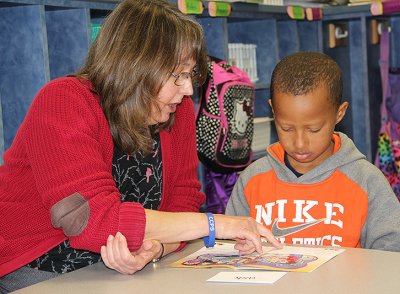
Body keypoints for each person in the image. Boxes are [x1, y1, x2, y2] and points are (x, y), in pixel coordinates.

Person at [0, 0, 281, 292]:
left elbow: (182, 204)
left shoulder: (177, 109)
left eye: (191, 75)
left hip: (111, 271)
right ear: (138, 67)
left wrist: (155, 247)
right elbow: (93, 221)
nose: (187, 90)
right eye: (179, 75)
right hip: (36, 264)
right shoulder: (63, 102)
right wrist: (217, 225)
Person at [226, 51, 400, 251]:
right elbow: (229, 246)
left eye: (314, 129)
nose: (299, 143)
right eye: (287, 128)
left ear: (339, 113)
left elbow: (392, 253)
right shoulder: (253, 180)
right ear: (273, 111)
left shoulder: (365, 181)